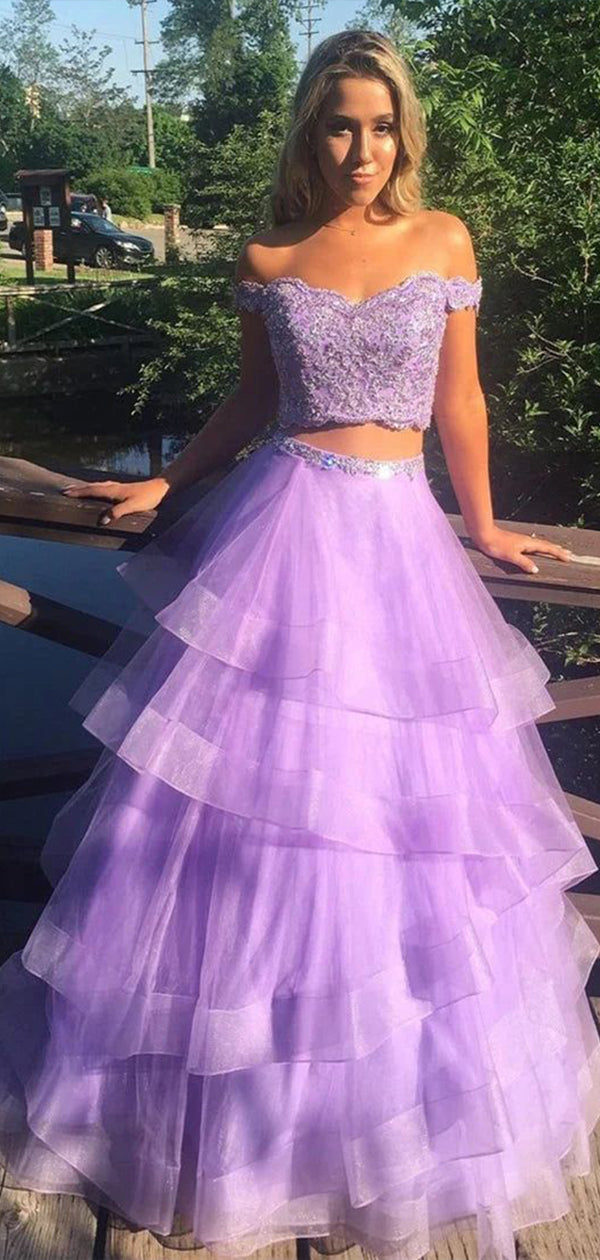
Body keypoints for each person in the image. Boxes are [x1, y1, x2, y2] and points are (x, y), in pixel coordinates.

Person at [0, 28, 599, 1260]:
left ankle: (383, 1119)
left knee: (403, 827)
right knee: (248, 827)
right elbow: (253, 399)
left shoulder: (443, 241)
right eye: (341, 124)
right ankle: (239, 1123)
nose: (363, 149)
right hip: (280, 542)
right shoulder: (270, 254)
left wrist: (488, 525)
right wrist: (167, 484)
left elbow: (462, 398)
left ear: (403, 132)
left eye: (382, 126)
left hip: (403, 550)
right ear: (310, 131)